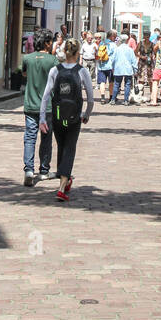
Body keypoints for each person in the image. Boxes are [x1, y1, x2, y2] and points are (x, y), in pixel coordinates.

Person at [39, 38, 94, 201]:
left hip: (57, 116)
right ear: (78, 53)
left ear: (64, 52)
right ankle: (62, 187)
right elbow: (91, 99)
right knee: (70, 148)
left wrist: (42, 118)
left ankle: (64, 178)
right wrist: (86, 115)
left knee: (62, 147)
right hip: (74, 117)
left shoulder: (55, 70)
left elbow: (46, 96)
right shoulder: (82, 71)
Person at [21, 28, 57, 185]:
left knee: (30, 137)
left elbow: (24, 74)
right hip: (47, 106)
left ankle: (29, 170)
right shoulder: (53, 61)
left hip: (30, 104)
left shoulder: (27, 58)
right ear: (47, 43)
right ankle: (44, 170)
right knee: (46, 138)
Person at [111, 31, 137, 104]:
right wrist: (135, 69)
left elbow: (113, 59)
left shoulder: (117, 49)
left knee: (116, 84)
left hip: (118, 69)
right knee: (127, 85)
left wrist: (112, 67)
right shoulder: (130, 50)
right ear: (127, 40)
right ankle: (126, 100)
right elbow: (133, 61)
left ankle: (113, 99)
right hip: (128, 69)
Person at [96, 29, 116, 102]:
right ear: (112, 36)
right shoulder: (113, 45)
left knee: (102, 82)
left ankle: (102, 97)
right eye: (115, 36)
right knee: (111, 82)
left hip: (101, 66)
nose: (115, 38)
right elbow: (115, 57)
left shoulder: (101, 43)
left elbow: (98, 54)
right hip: (110, 66)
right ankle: (111, 97)